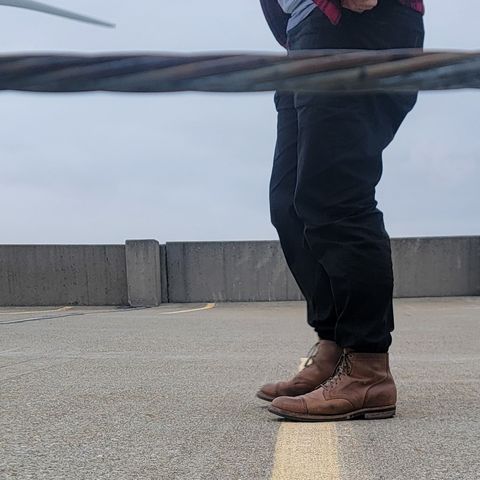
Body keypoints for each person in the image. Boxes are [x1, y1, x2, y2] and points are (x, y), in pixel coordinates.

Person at [257, 0, 425, 421]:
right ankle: (334, 347)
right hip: (308, 35)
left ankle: (368, 368)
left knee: (337, 195)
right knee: (290, 205)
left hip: (356, 26)